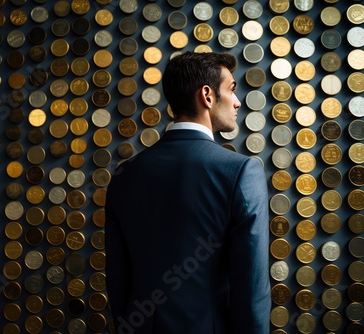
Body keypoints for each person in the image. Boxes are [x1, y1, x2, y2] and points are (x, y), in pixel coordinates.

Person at [105, 51, 270, 333]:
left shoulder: (124, 175)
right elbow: (252, 288)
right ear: (207, 96)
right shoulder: (241, 172)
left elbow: (118, 281)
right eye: (231, 89)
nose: (238, 102)